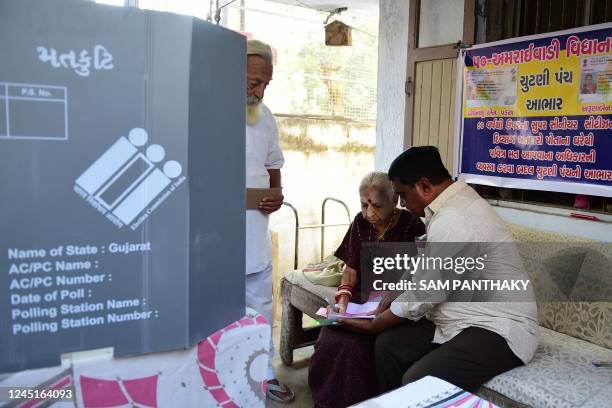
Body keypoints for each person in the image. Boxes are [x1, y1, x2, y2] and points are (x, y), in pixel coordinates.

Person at [341, 146, 539, 394]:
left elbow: (426, 292)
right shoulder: (446, 209)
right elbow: (423, 267)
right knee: (389, 345)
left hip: (499, 328)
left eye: (403, 195)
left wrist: (376, 323)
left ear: (424, 186)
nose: (402, 203)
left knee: (418, 381)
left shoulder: (458, 219)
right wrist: (392, 296)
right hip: (461, 319)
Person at [308, 172, 426, 408]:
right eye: (364, 205)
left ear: (394, 202)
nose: (369, 213)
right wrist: (342, 301)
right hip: (363, 298)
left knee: (356, 348)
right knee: (329, 338)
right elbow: (350, 269)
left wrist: (391, 299)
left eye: (377, 206)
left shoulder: (412, 225)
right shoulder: (360, 222)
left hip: (395, 300)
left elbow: (417, 276)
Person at [244, 39, 294, 403]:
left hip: (256, 233)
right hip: (217, 238)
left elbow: (273, 164)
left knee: (261, 311)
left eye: (265, 84)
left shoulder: (265, 116)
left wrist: (277, 194)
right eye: (253, 82)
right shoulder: (204, 110)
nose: (260, 91)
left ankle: (264, 375)